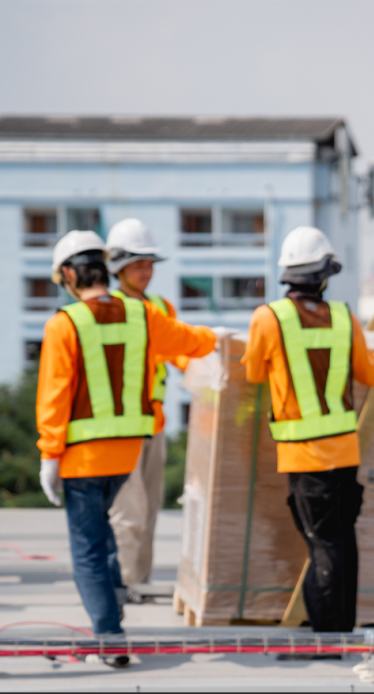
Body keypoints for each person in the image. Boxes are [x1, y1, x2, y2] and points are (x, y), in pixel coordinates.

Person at [36, 230, 216, 664]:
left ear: (67, 274)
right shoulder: (142, 315)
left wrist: (49, 455)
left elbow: (54, 396)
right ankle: (112, 611)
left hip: (82, 460)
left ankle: (110, 639)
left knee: (89, 549)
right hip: (127, 454)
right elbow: (198, 343)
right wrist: (214, 334)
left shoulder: (64, 324)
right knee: (107, 540)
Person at [242, 226, 374, 633]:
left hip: (302, 454)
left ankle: (331, 632)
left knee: (324, 543)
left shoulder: (268, 319)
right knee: (336, 539)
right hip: (343, 452)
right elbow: (370, 373)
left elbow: (251, 372)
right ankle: (333, 623)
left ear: (287, 274)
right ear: (324, 275)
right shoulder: (343, 318)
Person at [105, 218, 184, 597]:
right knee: (128, 510)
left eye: (150, 264)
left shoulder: (160, 307)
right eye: (138, 265)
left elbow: (178, 351)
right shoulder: (109, 309)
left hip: (154, 424)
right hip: (122, 427)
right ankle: (125, 583)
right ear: (117, 267)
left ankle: (141, 581)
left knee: (150, 507)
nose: (146, 272)